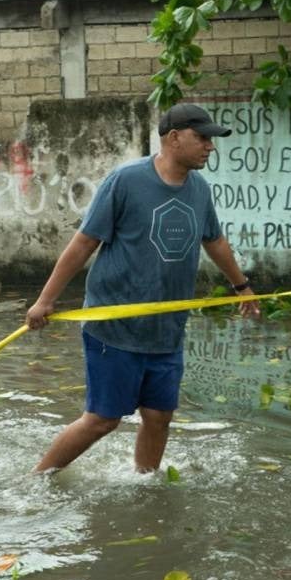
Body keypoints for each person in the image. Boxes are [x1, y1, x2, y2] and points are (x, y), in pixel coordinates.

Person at [26, 103, 259, 474]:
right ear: (173, 138)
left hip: (166, 328)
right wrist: (45, 301)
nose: (209, 147)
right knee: (103, 420)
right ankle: (39, 478)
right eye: (202, 138)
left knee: (159, 416)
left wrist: (242, 287)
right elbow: (85, 242)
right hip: (114, 325)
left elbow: (213, 240)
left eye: (210, 140)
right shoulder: (127, 180)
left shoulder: (199, 189)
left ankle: (145, 486)